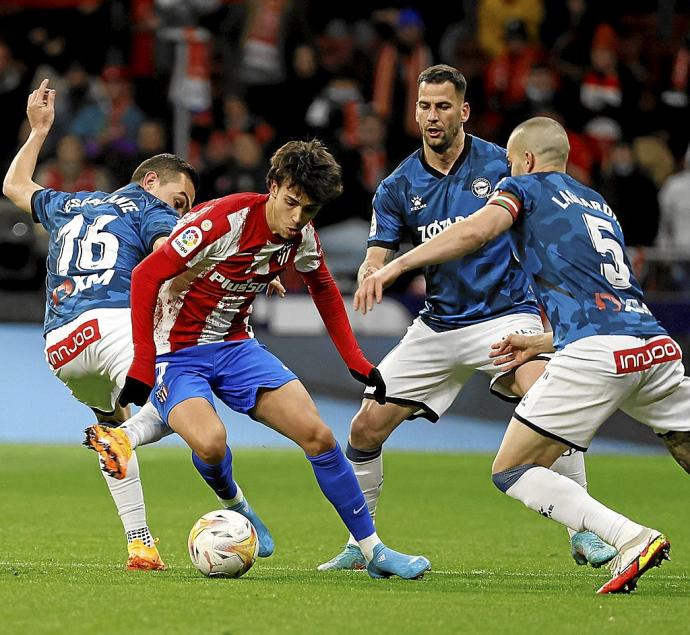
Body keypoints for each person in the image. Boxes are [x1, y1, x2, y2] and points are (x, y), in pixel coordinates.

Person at [356, 116, 689, 594]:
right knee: (683, 444)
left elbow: (475, 232)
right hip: (654, 346)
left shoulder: (524, 189)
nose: (506, 172)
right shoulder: (597, 203)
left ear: (527, 160)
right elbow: (605, 300)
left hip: (597, 356)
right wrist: (539, 343)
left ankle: (627, 537)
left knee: (512, 469)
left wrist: (399, 265)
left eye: (511, 162)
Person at [86, 139, 432, 580]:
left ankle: (373, 551)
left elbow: (323, 287)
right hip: (178, 354)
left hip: (236, 347)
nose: (296, 219)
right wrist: (142, 362)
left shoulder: (300, 234)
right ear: (273, 186)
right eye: (290, 204)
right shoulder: (222, 219)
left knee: (319, 436)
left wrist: (356, 360)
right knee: (210, 444)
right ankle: (237, 504)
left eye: (308, 211)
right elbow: (146, 274)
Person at [318, 64, 614, 572]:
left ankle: (583, 531)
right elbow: (377, 250)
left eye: (442, 106)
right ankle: (360, 542)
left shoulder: (504, 166)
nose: (432, 117)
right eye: (424, 106)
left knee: (545, 394)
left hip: (506, 314)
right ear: (414, 111)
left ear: (464, 111)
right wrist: (372, 269)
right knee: (364, 429)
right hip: (438, 325)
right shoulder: (397, 185)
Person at [2, 79, 198, 571]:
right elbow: (170, 257)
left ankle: (140, 543)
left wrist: (38, 130)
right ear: (151, 182)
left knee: (112, 423)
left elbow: (13, 187)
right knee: (189, 391)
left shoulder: (74, 203)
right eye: (180, 200)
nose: (182, 213)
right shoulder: (148, 208)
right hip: (111, 325)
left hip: (62, 346)